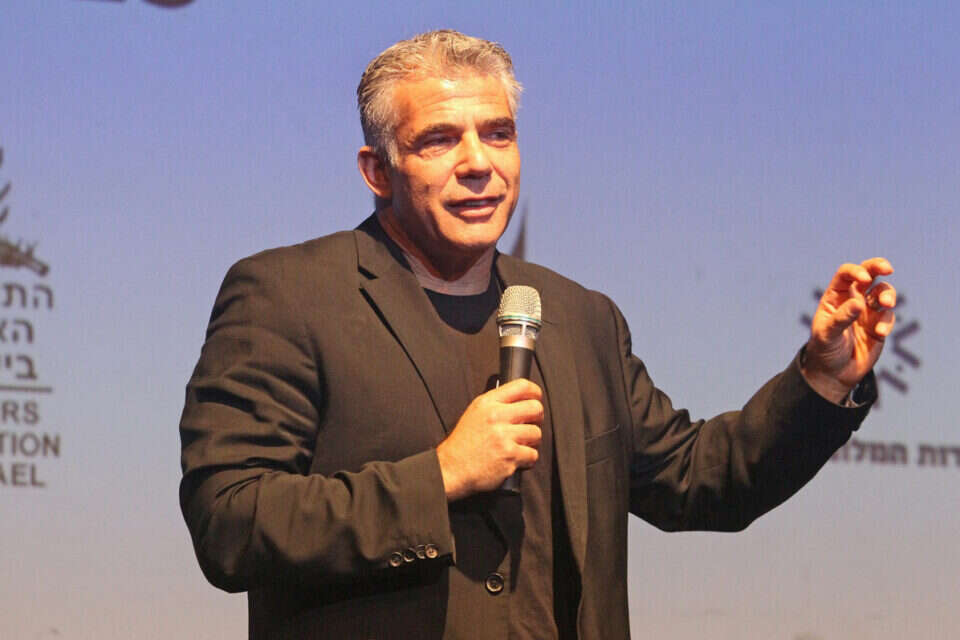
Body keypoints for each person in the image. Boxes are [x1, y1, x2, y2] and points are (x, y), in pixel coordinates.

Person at [179, 30, 897, 640]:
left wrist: (822, 379)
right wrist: (440, 476)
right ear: (378, 171)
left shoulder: (580, 318)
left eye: (498, 133)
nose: (478, 162)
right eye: (439, 140)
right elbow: (229, 522)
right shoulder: (289, 294)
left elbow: (700, 481)